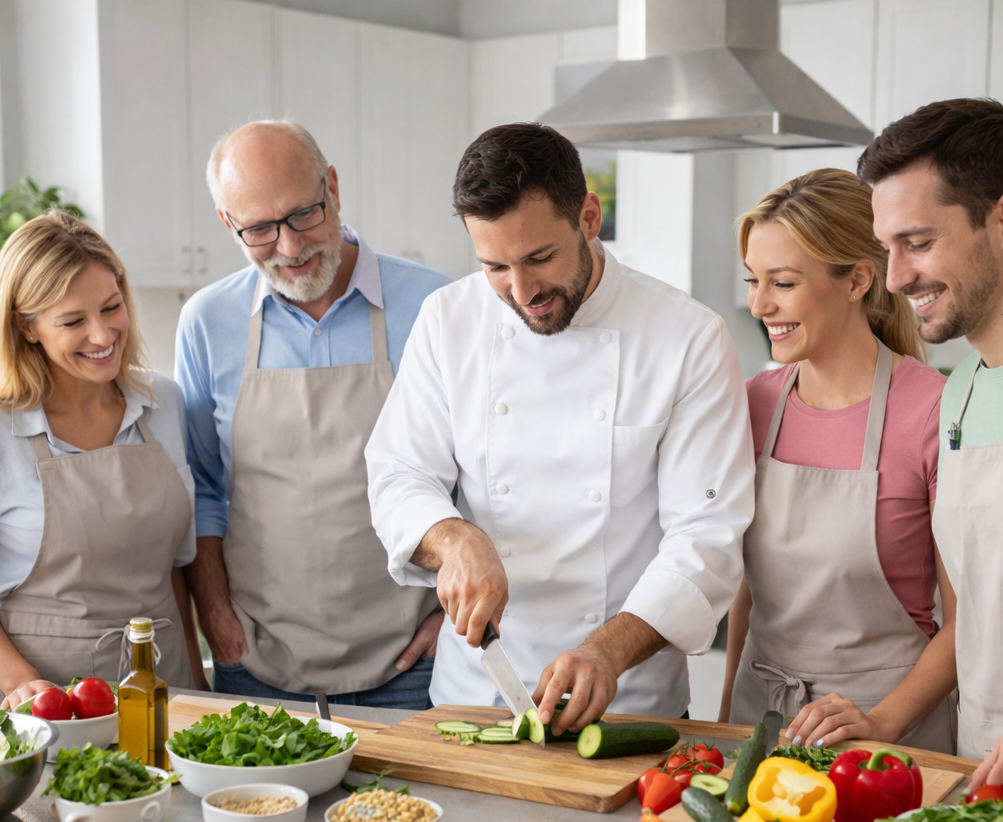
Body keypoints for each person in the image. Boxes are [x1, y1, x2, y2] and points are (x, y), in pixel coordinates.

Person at [365, 123, 755, 735]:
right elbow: (398, 473)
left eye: (539, 258)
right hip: (474, 696)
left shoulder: (688, 337)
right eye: (495, 266)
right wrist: (453, 538)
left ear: (589, 218)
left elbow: (706, 535)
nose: (522, 292)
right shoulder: (448, 320)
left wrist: (608, 652)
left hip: (628, 702)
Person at [176, 120, 448, 708]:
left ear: (333, 188)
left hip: (414, 663)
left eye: (303, 214)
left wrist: (450, 618)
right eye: (259, 230)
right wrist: (217, 620)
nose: (290, 247)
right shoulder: (206, 322)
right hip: (257, 662)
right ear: (227, 223)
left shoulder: (435, 305)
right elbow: (201, 489)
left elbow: (485, 477)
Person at [720, 169, 957, 753]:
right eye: (753, 280)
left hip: (886, 741)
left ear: (856, 280)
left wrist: (882, 724)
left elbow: (970, 620)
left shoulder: (934, 412)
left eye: (783, 282)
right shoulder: (751, 404)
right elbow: (747, 593)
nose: (759, 304)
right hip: (762, 721)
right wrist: (726, 723)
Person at [0, 211, 204, 708]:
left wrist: (197, 681)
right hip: (45, 701)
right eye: (73, 321)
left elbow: (174, 569)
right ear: (26, 326)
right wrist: (23, 683)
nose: (102, 336)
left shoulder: (163, 404)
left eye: (111, 307)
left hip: (164, 683)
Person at [860, 98, 1003, 762]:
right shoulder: (960, 395)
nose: (895, 278)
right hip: (978, 762)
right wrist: (881, 723)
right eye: (887, 248)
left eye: (918, 244)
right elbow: (971, 612)